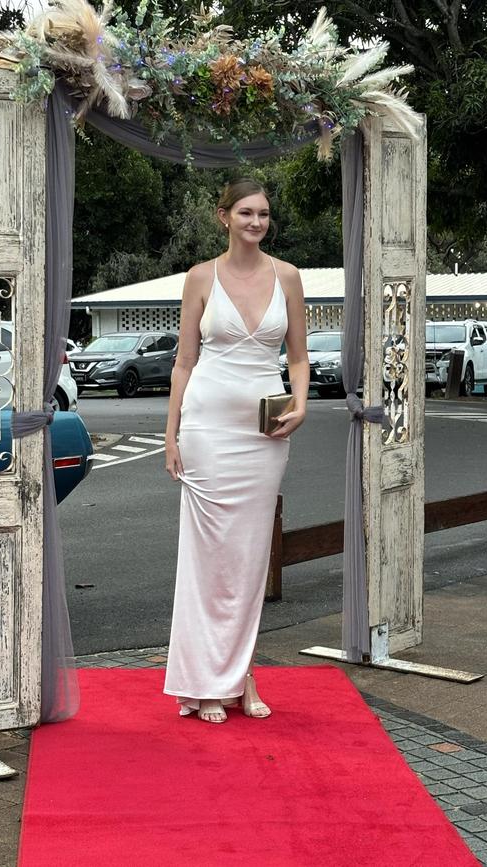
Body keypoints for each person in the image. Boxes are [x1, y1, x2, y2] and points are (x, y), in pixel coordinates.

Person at [163, 178, 310, 723]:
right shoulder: (201, 277)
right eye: (246, 212)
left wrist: (302, 405)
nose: (256, 222)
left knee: (249, 560)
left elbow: (297, 357)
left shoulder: (288, 277)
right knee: (206, 558)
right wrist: (170, 434)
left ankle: (240, 675)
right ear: (223, 216)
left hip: (263, 436)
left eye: (264, 214)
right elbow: (183, 361)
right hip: (206, 429)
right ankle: (201, 683)